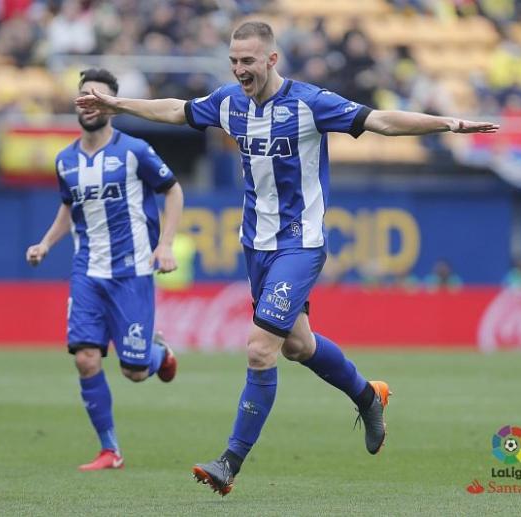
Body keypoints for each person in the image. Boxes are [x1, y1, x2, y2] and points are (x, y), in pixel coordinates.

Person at [76, 21, 498, 495]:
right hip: (256, 245)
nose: (239, 70)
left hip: (301, 244)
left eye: (248, 62)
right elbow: (177, 110)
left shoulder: (309, 103)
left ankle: (229, 462)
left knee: (260, 349)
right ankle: (367, 395)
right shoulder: (228, 103)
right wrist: (116, 104)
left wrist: (448, 123)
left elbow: (379, 120)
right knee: (299, 345)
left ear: (272, 59)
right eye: (234, 62)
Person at [26, 68, 184, 471]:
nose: (89, 103)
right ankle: (110, 450)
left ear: (110, 106)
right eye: (83, 96)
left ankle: (158, 353)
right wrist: (45, 243)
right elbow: (69, 208)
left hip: (132, 272)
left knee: (133, 370)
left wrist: (164, 244)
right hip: (88, 273)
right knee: (86, 359)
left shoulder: (135, 151)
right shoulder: (65, 160)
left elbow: (173, 190)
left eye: (97, 97)